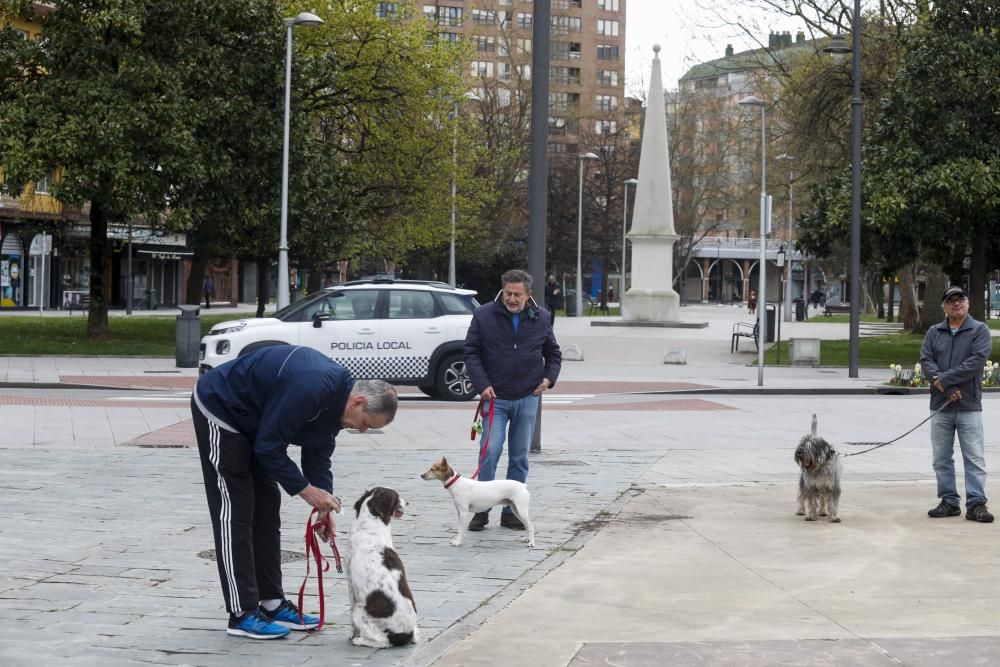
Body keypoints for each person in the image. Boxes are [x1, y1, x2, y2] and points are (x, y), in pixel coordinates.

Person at [192, 344, 399, 638]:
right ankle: (241, 613)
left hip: (258, 422)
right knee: (235, 509)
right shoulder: (312, 386)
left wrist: (323, 505)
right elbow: (268, 447)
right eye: (366, 425)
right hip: (222, 408)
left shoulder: (338, 402)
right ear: (358, 402)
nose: (363, 431)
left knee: (266, 510)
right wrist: (305, 490)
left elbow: (318, 453)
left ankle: (272, 602)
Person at [464, 269, 562, 532]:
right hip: (494, 398)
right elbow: (471, 353)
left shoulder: (541, 317)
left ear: (528, 294)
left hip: (528, 396)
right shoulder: (484, 315)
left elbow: (553, 353)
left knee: (519, 457)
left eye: (517, 294)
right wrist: (482, 385)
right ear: (502, 291)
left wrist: (549, 378)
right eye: (508, 293)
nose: (512, 299)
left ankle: (511, 512)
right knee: (490, 452)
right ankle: (482, 511)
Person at [920, 286, 993, 523]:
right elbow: (926, 360)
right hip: (941, 405)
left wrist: (946, 380)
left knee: (974, 456)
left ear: (967, 303)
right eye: (951, 301)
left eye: (960, 299)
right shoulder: (934, 331)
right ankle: (949, 501)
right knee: (941, 458)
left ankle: (976, 503)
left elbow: (976, 361)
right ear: (944, 306)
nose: (956, 304)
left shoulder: (979, 330)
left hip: (969, 405)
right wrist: (948, 388)